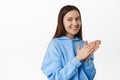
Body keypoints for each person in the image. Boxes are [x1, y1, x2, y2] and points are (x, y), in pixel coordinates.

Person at [41, 5, 101, 80]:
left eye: (77, 19)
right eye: (69, 19)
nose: (75, 23)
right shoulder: (55, 45)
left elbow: (90, 77)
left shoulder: (84, 45)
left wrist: (87, 61)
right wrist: (78, 59)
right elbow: (55, 77)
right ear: (62, 22)